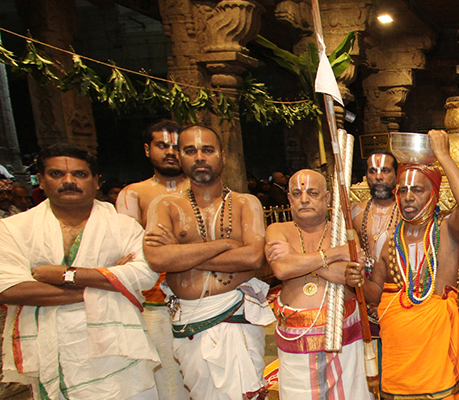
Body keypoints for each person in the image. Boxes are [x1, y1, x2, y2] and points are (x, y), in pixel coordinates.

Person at [0, 143, 160, 399]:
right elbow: (9, 289)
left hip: (116, 353)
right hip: (51, 349)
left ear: (96, 181)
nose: (69, 181)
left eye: (79, 174)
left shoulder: (123, 227)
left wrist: (66, 275)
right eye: (56, 174)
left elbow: (144, 275)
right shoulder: (13, 229)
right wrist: (108, 283)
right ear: (40, 180)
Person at [144, 125, 274, 400]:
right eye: (190, 151)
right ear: (180, 157)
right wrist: (226, 245)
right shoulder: (165, 206)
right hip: (189, 319)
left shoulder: (245, 203)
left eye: (208, 150)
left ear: (223, 157)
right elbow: (157, 258)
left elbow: (253, 257)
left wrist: (183, 255)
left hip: (235, 316)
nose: (200, 157)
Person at [345, 130, 459, 399]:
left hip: (435, 355)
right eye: (402, 190)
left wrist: (443, 156)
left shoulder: (446, 231)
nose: (408, 197)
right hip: (400, 354)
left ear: (434, 193)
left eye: (417, 190)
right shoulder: (389, 242)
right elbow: (374, 294)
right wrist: (357, 279)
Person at [264, 169, 371, 399]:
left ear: (328, 198)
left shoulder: (345, 233)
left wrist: (296, 256)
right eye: (296, 193)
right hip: (295, 339)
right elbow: (282, 269)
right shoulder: (277, 230)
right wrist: (335, 254)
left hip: (343, 336)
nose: (304, 199)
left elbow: (347, 276)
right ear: (289, 198)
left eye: (312, 193)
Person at [115, 120, 191, 400]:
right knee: (167, 377)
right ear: (148, 150)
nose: (171, 152)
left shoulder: (204, 193)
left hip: (201, 297)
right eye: (163, 145)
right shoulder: (133, 194)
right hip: (155, 302)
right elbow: (127, 254)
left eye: (177, 147)